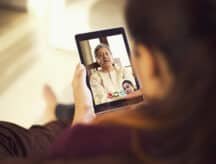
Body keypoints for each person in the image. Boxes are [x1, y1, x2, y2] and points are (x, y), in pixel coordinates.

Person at [0, 0, 215, 163]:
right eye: (101, 56)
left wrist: (81, 124)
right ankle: (56, 108)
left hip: (98, 117)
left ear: (150, 63)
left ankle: (53, 111)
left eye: (137, 52)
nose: (105, 58)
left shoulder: (91, 142)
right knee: (75, 108)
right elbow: (105, 91)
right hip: (116, 104)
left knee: (65, 120)